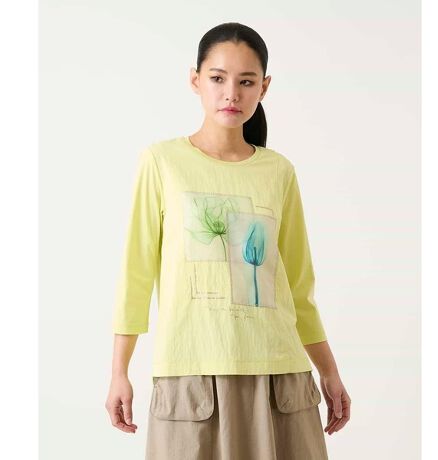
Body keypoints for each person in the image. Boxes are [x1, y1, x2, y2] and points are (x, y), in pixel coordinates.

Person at [105, 21, 351, 460]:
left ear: (264, 87)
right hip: (191, 378)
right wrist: (119, 371)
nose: (231, 94)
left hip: (280, 378)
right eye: (218, 78)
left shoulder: (278, 171)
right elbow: (136, 275)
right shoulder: (162, 162)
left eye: (246, 82)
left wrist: (329, 372)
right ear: (195, 80)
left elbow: (299, 287)